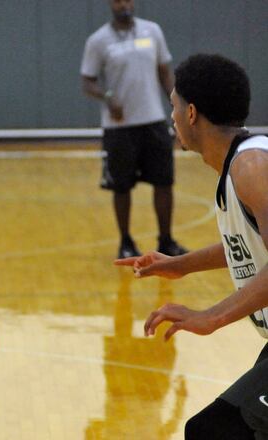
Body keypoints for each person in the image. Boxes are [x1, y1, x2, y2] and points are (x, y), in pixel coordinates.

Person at [115, 54, 268, 439]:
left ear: (193, 113)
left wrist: (210, 317)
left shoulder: (252, 169)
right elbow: (249, 240)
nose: (172, 117)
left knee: (214, 432)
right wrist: (181, 265)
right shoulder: (240, 166)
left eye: (174, 106)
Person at [81, 0, 187, 259]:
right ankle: (126, 242)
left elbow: (165, 73)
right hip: (119, 127)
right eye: (118, 0)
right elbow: (88, 81)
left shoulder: (152, 31)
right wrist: (107, 96)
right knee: (121, 186)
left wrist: (179, 112)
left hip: (153, 121)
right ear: (111, 4)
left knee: (164, 182)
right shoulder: (99, 40)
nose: (123, 4)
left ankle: (166, 240)